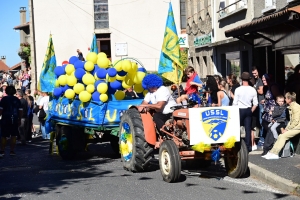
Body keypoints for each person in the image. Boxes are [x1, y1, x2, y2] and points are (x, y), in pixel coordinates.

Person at [264, 92, 300, 160]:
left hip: (297, 128)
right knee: (281, 135)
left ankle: (275, 153)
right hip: (294, 127)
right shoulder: (291, 106)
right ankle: (272, 152)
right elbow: (291, 121)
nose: (285, 100)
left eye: (286, 98)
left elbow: (295, 121)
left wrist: (287, 129)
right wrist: (286, 129)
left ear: (290, 99)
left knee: (283, 136)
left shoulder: (296, 107)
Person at [233, 72, 258, 152]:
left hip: (240, 109)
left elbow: (235, 103)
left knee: (236, 128)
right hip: (248, 109)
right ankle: (247, 146)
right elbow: (255, 104)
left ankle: (237, 145)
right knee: (248, 129)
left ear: (242, 79)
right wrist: (251, 110)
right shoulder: (253, 89)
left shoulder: (238, 89)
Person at [0, 86, 23, 157]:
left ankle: (2, 150)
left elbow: (0, 110)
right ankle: (12, 150)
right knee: (13, 135)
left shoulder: (4, 99)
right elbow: (20, 111)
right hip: (14, 119)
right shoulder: (17, 99)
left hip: (5, 119)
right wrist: (19, 119)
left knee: (4, 135)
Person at [252, 67, 265, 146]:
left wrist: (254, 88)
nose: (254, 75)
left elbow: (261, 91)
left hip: (261, 103)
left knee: (262, 121)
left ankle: (262, 139)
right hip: (258, 103)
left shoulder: (260, 80)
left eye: (255, 73)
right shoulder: (257, 80)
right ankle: (261, 138)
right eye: (253, 73)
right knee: (259, 122)